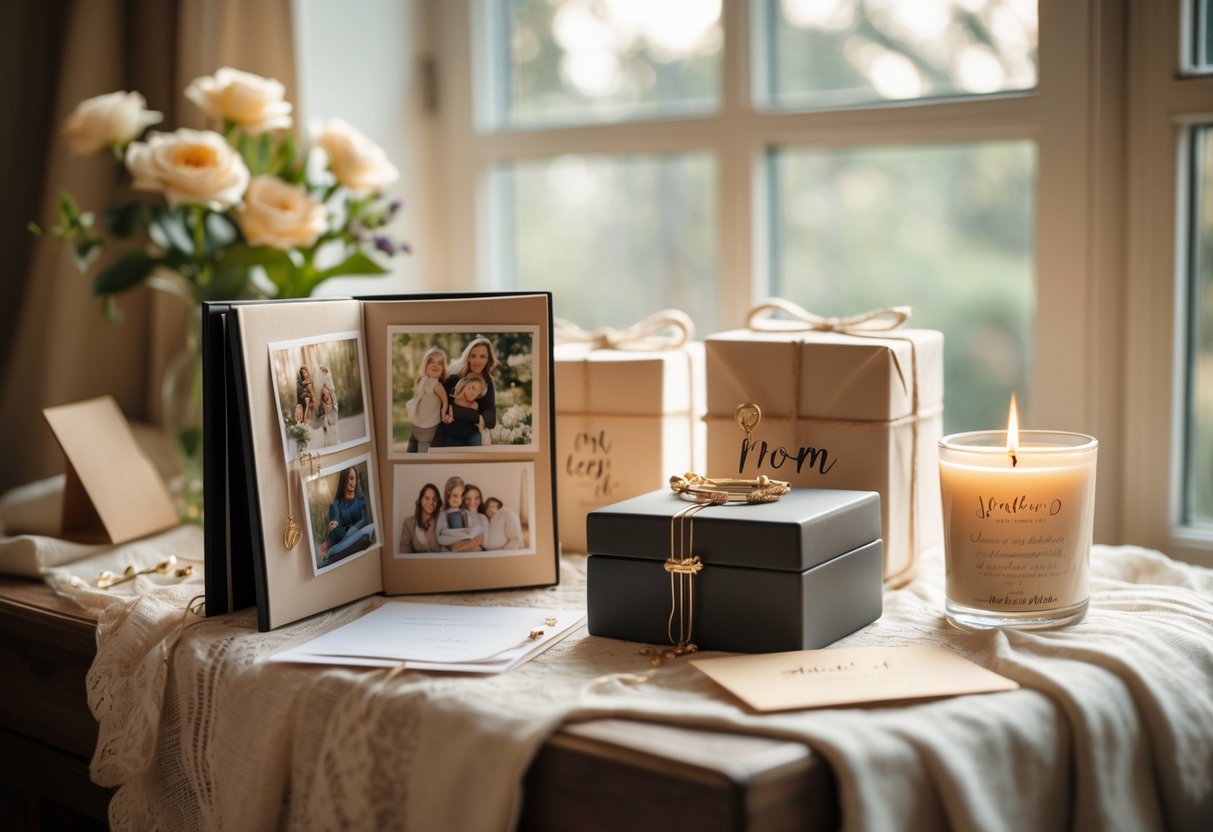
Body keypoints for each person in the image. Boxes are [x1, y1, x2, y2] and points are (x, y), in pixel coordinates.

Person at [434, 337, 498, 447]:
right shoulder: (453, 378)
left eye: (482, 357)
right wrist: (479, 417)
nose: (477, 361)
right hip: (450, 434)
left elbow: (491, 419)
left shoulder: (488, 382)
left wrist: (459, 412)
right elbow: (448, 409)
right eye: (473, 356)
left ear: (489, 359)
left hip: (472, 436)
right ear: (467, 357)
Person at [319, 466, 376, 565]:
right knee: (337, 531)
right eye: (350, 478)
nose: (353, 482)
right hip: (342, 538)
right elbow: (335, 520)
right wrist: (333, 525)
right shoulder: (336, 505)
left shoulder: (361, 498)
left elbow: (365, 519)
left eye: (355, 479)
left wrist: (352, 531)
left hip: (360, 534)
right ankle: (327, 549)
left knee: (364, 538)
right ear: (344, 479)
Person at [405, 347, 450, 453]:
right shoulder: (422, 381)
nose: (435, 365)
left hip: (428, 427)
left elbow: (445, 399)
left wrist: (444, 413)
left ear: (443, 369)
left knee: (422, 450)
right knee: (415, 449)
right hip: (419, 425)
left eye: (440, 363)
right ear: (425, 365)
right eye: (432, 362)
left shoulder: (436, 385)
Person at [436, 475, 483, 551]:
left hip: (465, 538)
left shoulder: (465, 512)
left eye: (461, 496)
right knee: (441, 538)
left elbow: (470, 529)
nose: (458, 500)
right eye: (455, 495)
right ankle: (461, 544)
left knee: (479, 529)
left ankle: (458, 547)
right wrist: (449, 532)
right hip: (452, 540)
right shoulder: (443, 514)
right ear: (448, 494)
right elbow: (438, 537)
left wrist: (447, 532)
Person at [440, 375, 487, 447]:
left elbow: (480, 422)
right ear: (465, 383)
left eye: (477, 392)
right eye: (472, 388)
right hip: (452, 437)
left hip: (471, 436)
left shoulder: (476, 405)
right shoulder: (450, 400)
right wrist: (446, 417)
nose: (473, 393)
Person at [398, 483, 442, 553]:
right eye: (427, 498)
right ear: (420, 499)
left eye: (434, 499)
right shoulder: (408, 523)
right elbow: (404, 553)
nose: (431, 502)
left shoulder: (441, 521)